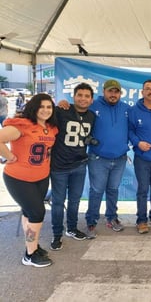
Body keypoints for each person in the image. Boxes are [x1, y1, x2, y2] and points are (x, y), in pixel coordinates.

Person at [0, 93, 58, 267]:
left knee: (28, 213)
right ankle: (30, 254)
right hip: (19, 178)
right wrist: (9, 156)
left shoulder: (50, 127)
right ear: (34, 107)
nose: (46, 110)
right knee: (37, 212)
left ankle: (32, 245)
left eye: (49, 107)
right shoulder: (22, 125)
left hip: (41, 177)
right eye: (42, 106)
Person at [49, 83, 95, 251]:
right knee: (58, 202)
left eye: (86, 96)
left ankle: (72, 228)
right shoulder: (61, 111)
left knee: (75, 200)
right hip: (59, 166)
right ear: (73, 96)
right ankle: (56, 234)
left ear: (91, 100)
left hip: (80, 165)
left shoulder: (92, 116)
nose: (83, 98)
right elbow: (43, 116)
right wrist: (57, 104)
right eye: (80, 95)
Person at [84, 79, 130, 238]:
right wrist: (62, 103)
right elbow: (74, 111)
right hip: (98, 158)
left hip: (119, 158)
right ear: (103, 91)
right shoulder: (93, 106)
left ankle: (111, 218)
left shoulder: (126, 108)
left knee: (113, 190)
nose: (113, 94)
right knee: (96, 191)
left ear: (119, 93)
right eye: (110, 91)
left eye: (116, 91)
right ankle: (91, 222)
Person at [128, 79, 151, 234]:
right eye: (148, 89)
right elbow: (130, 131)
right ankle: (141, 220)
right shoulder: (133, 111)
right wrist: (138, 143)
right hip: (142, 158)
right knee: (143, 190)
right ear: (142, 92)